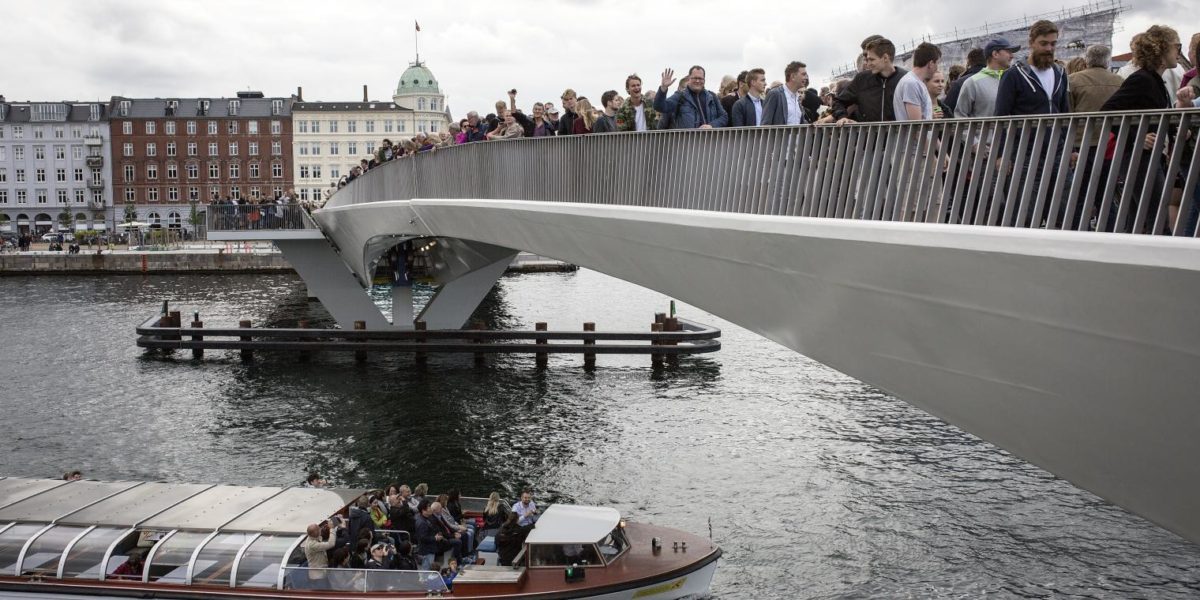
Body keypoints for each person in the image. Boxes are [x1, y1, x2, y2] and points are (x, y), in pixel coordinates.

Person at [1100, 25, 1182, 233]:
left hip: (1144, 157)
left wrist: (1176, 131)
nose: (1178, 52)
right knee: (1156, 218)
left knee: (1138, 218)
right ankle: (1164, 260)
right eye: (1176, 46)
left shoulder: (1153, 80)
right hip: (1138, 158)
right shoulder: (1142, 79)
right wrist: (1137, 138)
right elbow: (1108, 111)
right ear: (1162, 50)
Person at [995, 20, 1070, 116]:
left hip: (1056, 131)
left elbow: (1065, 114)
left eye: (1053, 44)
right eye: (1043, 43)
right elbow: (1001, 117)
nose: (1049, 49)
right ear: (1031, 43)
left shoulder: (1060, 73)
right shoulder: (1013, 75)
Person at [832, 36, 908, 123]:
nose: (868, 64)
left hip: (898, 135)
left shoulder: (905, 79)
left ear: (885, 58)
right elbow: (838, 101)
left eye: (871, 59)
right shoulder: (862, 79)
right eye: (867, 59)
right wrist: (842, 117)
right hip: (867, 136)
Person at [955, 38, 1019, 118]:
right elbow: (960, 115)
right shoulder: (973, 82)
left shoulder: (1013, 80)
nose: (1012, 56)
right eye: (1008, 51)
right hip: (982, 131)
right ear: (995, 54)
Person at [654, 65, 729, 129]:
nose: (697, 81)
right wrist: (663, 88)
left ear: (704, 80)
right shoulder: (679, 96)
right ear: (689, 79)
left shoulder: (712, 97)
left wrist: (711, 126)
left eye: (700, 78)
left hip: (709, 143)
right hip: (686, 144)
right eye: (695, 78)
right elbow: (660, 107)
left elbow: (724, 117)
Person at [893, 42, 941, 121]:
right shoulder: (911, 83)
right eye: (937, 63)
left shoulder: (915, 82)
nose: (937, 68)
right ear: (931, 64)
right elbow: (916, 126)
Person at [1069, 45, 1124, 112]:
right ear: (1108, 61)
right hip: (1111, 122)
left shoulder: (1072, 79)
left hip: (1082, 121)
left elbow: (1068, 108)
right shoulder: (1120, 80)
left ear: (1086, 59)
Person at [303, 521, 341, 589]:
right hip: (318, 577)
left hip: (322, 574)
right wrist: (332, 529)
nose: (320, 529)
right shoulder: (312, 545)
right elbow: (331, 544)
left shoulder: (312, 537)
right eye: (319, 529)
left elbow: (319, 537)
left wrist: (326, 528)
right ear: (316, 533)